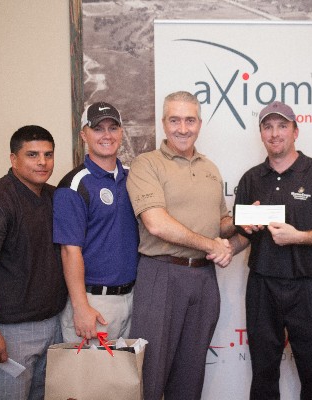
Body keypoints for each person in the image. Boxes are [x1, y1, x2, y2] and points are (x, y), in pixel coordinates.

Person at [230, 101, 312, 400]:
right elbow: (243, 232)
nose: (275, 133)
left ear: (295, 131)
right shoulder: (250, 179)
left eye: (282, 126)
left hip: (308, 287)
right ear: (261, 134)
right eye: (268, 127)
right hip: (262, 286)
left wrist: (300, 237)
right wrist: (229, 245)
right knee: (264, 373)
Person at [126, 91, 234, 400]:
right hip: (161, 275)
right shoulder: (146, 164)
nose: (182, 128)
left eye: (189, 120)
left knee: (190, 375)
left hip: (204, 277)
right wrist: (210, 244)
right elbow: (156, 223)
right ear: (163, 123)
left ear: (200, 124)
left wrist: (245, 220)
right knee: (151, 375)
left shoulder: (210, 168)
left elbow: (221, 222)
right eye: (175, 120)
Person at [0, 125, 68, 400]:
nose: (42, 162)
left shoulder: (53, 197)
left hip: (51, 325)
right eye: (32, 155)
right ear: (13, 159)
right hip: (7, 332)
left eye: (48, 154)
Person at [53, 102, 139, 343]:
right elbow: (70, 251)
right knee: (90, 380)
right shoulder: (74, 185)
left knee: (124, 379)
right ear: (84, 134)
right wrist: (81, 308)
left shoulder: (133, 178)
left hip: (131, 298)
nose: (107, 135)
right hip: (94, 303)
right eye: (98, 129)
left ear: (121, 132)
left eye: (113, 127)